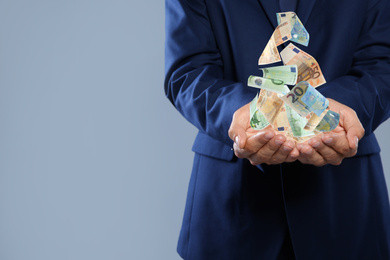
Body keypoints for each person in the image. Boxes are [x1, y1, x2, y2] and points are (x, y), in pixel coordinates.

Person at [164, 0, 390, 259]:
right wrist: (240, 112)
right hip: (230, 208)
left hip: (346, 207)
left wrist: (332, 112)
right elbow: (187, 70)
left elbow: (383, 63)